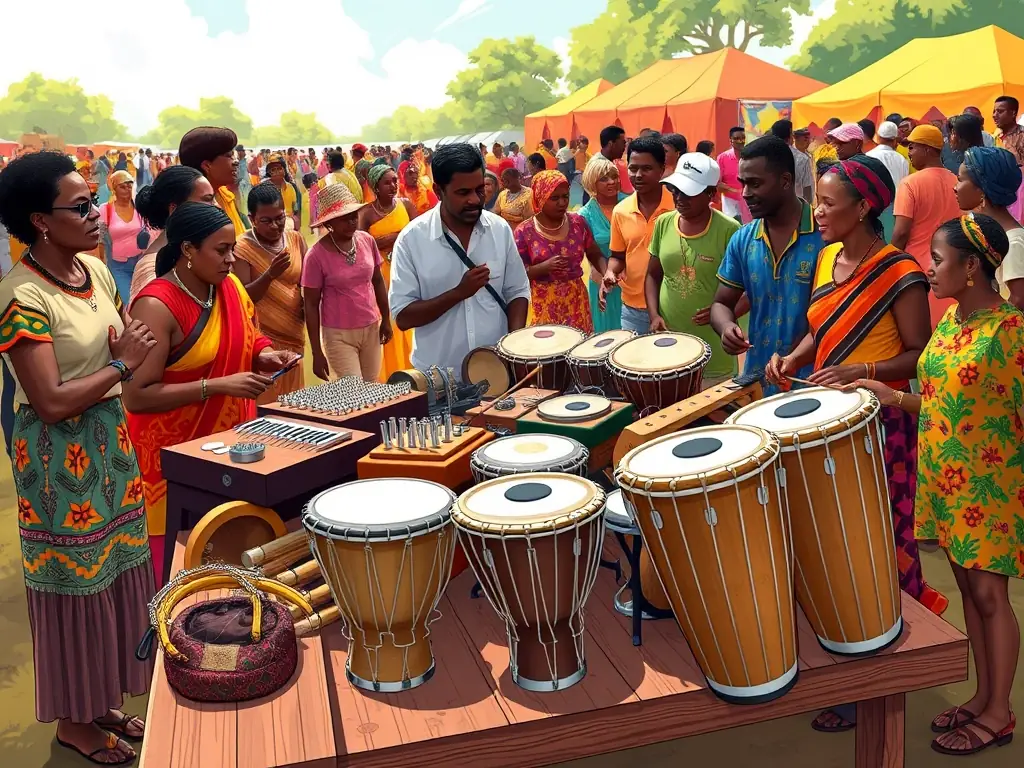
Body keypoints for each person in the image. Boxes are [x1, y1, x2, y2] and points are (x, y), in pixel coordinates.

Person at [764, 155, 946, 733]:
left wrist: (858, 369)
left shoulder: (900, 271)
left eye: (827, 202)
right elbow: (823, 326)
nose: (816, 211)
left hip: (880, 428)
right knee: (831, 548)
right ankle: (848, 654)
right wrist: (792, 357)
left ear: (864, 207)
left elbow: (920, 355)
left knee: (878, 548)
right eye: (814, 200)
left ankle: (883, 670)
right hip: (826, 425)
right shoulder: (823, 260)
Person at [0, 151, 156, 765]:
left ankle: (98, 699)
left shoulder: (93, 270)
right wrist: (123, 365)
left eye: (93, 201)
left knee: (118, 572)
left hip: (109, 448)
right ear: (40, 220)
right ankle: (74, 722)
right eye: (82, 206)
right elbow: (50, 400)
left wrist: (124, 351)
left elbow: (111, 344)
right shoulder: (21, 296)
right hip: (56, 464)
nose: (96, 214)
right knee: (74, 588)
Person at [854, 214, 1022, 757]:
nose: (929, 270)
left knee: (992, 596)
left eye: (939, 260)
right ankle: (983, 695)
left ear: (972, 267)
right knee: (972, 594)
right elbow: (948, 403)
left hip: (990, 489)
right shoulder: (949, 323)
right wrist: (892, 396)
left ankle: (999, 712)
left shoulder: (1012, 333)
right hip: (947, 483)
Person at [123, 204, 296, 583]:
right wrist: (215, 386)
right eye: (221, 250)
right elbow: (136, 396)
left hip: (233, 447)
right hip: (172, 459)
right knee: (179, 571)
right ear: (187, 249)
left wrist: (266, 354)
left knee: (235, 550)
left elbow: (250, 337)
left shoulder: (230, 287)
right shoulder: (156, 305)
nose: (231, 260)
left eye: (233, 249)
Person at [389, 143, 531, 377]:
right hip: (437, 378)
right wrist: (458, 293)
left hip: (497, 375)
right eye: (463, 193)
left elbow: (517, 291)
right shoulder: (412, 239)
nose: (475, 200)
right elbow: (403, 316)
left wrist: (510, 352)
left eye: (479, 190)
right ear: (439, 190)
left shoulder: (499, 229)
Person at [710, 135, 824, 395]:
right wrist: (726, 327)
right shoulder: (743, 239)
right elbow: (720, 304)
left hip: (815, 383)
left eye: (755, 184)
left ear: (785, 181)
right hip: (758, 381)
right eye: (743, 184)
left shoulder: (825, 236)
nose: (746, 193)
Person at [647, 153, 741, 387]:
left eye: (688, 192)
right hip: (670, 344)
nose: (679, 198)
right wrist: (654, 315)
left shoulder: (730, 231)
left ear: (711, 193)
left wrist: (721, 315)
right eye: (675, 190)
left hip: (714, 350)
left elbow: (750, 288)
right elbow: (653, 275)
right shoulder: (663, 223)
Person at [302, 184, 391, 382]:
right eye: (345, 218)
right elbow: (310, 304)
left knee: (372, 390)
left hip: (371, 328)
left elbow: (377, 281)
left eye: (354, 215)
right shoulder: (315, 256)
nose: (352, 221)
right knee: (353, 393)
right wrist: (317, 352)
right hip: (338, 335)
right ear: (330, 223)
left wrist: (385, 318)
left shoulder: (367, 241)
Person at [232, 183, 308, 402]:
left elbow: (305, 284)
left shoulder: (295, 239)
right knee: (269, 406)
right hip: (263, 341)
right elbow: (243, 297)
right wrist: (269, 274)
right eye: (266, 221)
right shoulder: (242, 247)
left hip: (294, 335)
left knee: (296, 406)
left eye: (280, 218)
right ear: (251, 218)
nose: (275, 226)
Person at [601, 136, 676, 334]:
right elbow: (618, 256)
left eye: (647, 169)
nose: (638, 175)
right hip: (632, 309)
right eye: (633, 168)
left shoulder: (678, 208)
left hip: (673, 306)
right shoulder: (621, 211)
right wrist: (610, 272)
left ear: (662, 169)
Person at [514, 170, 606, 331]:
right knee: (548, 351)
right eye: (554, 198)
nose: (562, 203)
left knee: (578, 350)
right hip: (543, 304)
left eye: (565, 196)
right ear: (540, 198)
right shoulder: (524, 232)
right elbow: (516, 276)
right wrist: (543, 268)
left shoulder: (578, 223)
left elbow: (594, 253)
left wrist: (606, 274)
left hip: (576, 302)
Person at [892, 124, 962, 325]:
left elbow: (901, 232)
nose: (909, 153)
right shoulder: (957, 182)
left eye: (913, 147)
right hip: (951, 268)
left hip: (916, 271)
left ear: (928, 149)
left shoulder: (909, 184)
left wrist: (888, 264)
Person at [359, 165, 418, 379]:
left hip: (404, 269)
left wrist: (394, 238)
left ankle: (409, 369)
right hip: (378, 273)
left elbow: (417, 236)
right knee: (385, 318)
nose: (393, 186)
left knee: (405, 314)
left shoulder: (406, 205)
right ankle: (386, 374)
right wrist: (379, 242)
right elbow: (358, 245)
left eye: (395, 180)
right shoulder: (365, 213)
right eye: (387, 182)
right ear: (376, 186)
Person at [130, 166, 217, 303]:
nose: (216, 207)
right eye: (207, 200)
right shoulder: (150, 268)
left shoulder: (198, 249)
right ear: (175, 209)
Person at [953, 146, 1024, 309]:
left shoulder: (1013, 242)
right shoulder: (977, 229)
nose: (955, 187)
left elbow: (1019, 299)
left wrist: (988, 329)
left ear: (982, 189)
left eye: (960, 179)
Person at [579, 157, 626, 333]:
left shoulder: (630, 204)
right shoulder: (585, 215)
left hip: (633, 281)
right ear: (592, 182)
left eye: (614, 176)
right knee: (606, 337)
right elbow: (590, 255)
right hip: (602, 282)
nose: (611, 182)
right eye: (604, 179)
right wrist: (605, 279)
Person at [178, 126, 249, 236]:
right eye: (229, 156)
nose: (236, 162)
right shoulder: (195, 211)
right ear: (207, 166)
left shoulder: (226, 195)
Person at [99, 169, 150, 302]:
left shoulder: (138, 207)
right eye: (122, 187)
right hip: (117, 266)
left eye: (129, 186)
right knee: (127, 302)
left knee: (141, 300)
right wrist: (101, 264)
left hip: (139, 262)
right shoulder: (106, 209)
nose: (127, 190)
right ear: (114, 188)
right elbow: (100, 239)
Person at [866, 121, 910, 238]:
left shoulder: (869, 157)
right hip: (897, 209)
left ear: (878, 137)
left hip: (875, 209)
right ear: (895, 139)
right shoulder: (902, 159)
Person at [993, 95, 1024, 223]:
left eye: (1000, 111)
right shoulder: (997, 136)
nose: (995, 115)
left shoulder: (1022, 136)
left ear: (1013, 113)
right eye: (994, 111)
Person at [771, 119, 813, 203]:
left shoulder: (766, 156)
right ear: (790, 135)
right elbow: (807, 188)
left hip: (772, 205)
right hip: (796, 207)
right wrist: (808, 210)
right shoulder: (802, 159)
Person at [716, 127, 750, 223]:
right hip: (730, 202)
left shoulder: (750, 157)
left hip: (748, 200)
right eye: (737, 138)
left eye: (743, 138)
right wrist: (735, 191)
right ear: (730, 141)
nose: (740, 141)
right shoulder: (722, 158)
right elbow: (718, 184)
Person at [493, 162, 534, 230]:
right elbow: (496, 214)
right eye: (503, 180)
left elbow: (528, 220)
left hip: (520, 232)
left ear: (516, 179)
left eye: (507, 180)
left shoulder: (528, 194)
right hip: (503, 230)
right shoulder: (502, 194)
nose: (503, 182)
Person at [264, 153, 299, 230]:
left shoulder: (290, 187)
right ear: (269, 173)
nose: (277, 172)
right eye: (273, 170)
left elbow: (295, 209)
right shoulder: (264, 188)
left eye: (279, 168)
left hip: (289, 224)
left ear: (284, 170)